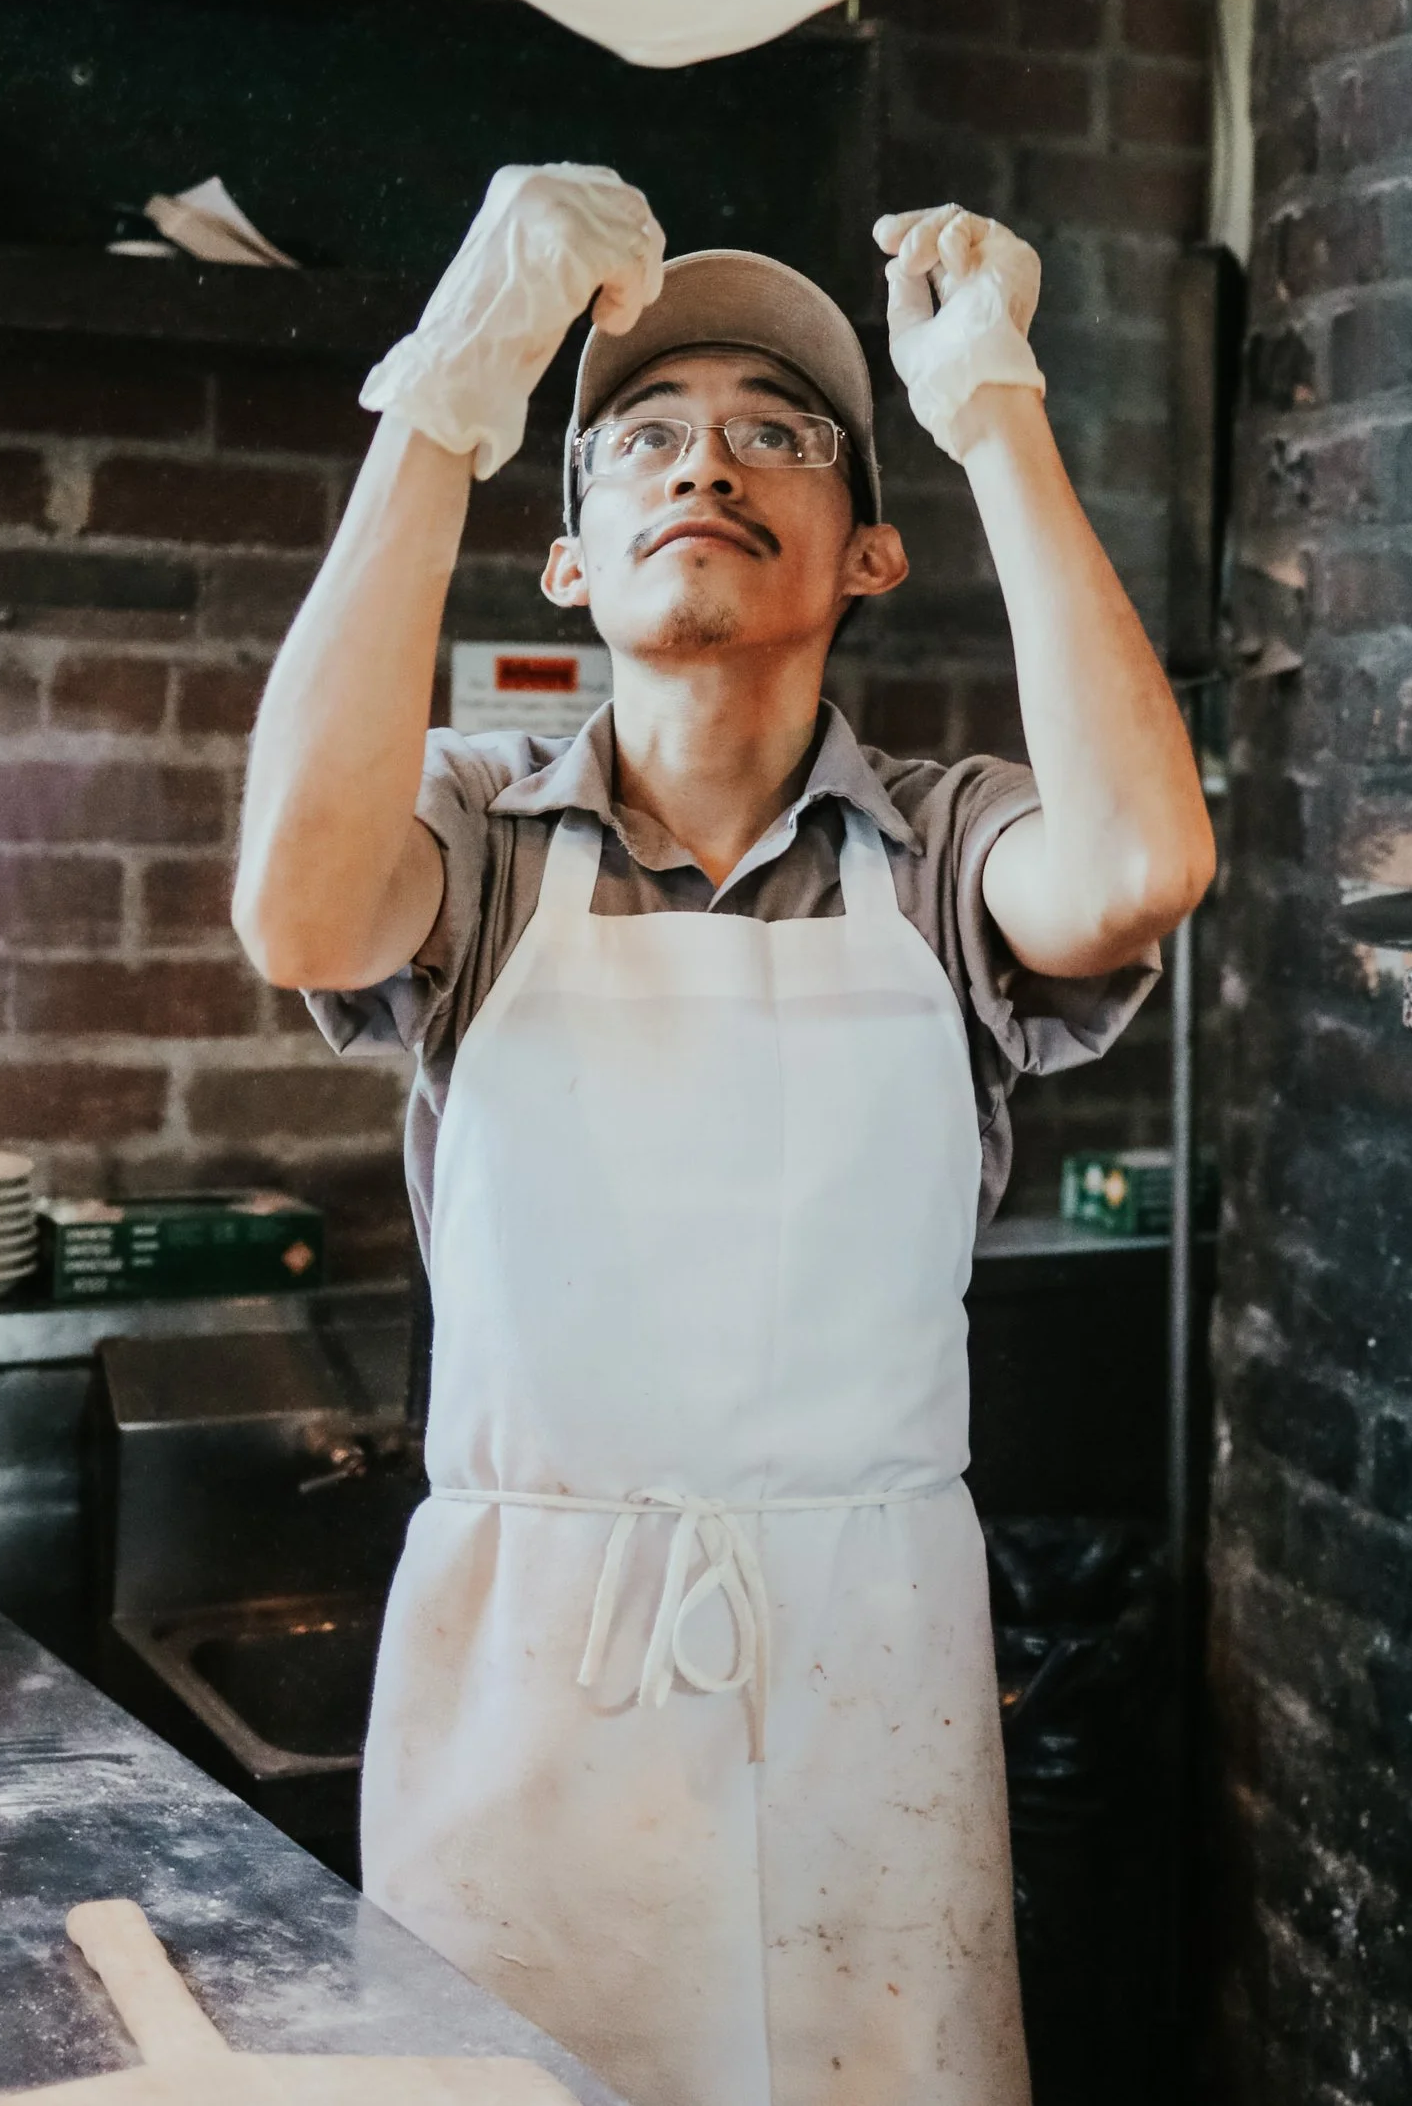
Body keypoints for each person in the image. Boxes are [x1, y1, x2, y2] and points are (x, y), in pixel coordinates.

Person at [232, 163, 1214, 2106]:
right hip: (527, 1698)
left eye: (780, 436)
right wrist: (452, 387)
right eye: (646, 439)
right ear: (570, 560)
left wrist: (991, 407)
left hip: (869, 1703)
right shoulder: (476, 832)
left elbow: (1142, 857)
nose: (709, 464)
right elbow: (297, 905)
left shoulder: (940, 847)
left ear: (864, 555)